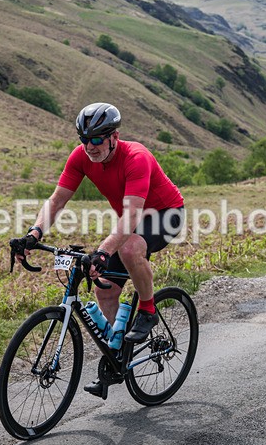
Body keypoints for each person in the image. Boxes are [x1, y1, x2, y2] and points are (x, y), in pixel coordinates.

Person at [15, 102, 185, 397]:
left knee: (130, 248)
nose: (89, 146)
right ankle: (120, 355)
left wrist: (104, 251)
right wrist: (34, 232)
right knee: (104, 289)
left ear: (114, 136)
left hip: (166, 213)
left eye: (96, 139)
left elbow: (132, 217)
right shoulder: (81, 157)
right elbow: (56, 201)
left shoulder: (137, 157)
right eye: (84, 139)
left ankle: (147, 310)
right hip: (131, 221)